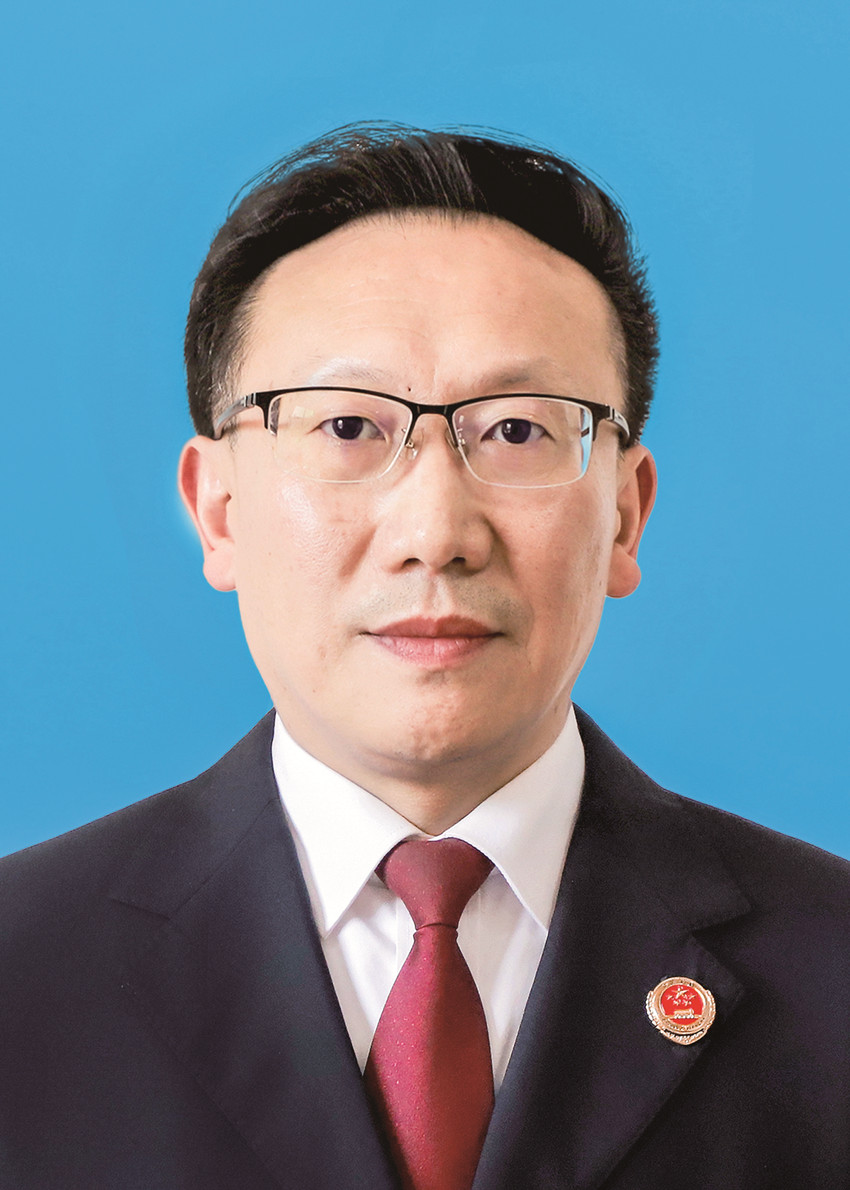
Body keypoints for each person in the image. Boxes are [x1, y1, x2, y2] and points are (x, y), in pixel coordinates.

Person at [1, 123, 848, 1190]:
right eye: (347, 427)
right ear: (218, 510)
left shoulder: (831, 971)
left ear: (625, 516)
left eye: (518, 431)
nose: (435, 530)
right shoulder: (21, 967)